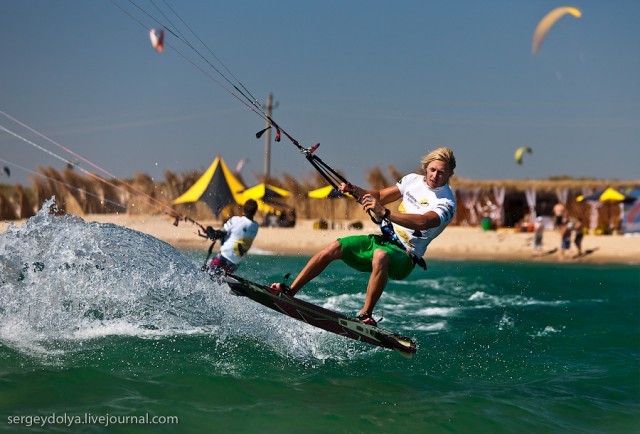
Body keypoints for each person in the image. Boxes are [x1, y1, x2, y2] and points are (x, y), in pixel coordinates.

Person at [270, 147, 457, 326]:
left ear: (449, 174)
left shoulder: (447, 202)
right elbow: (381, 195)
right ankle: (290, 291)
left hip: (405, 256)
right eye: (432, 170)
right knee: (335, 247)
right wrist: (355, 190)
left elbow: (424, 221)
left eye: (441, 172)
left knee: (380, 255)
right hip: (382, 240)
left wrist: (385, 214)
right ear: (426, 167)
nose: (435, 176)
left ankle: (365, 315)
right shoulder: (412, 180)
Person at [204, 199, 259, 276]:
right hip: (235, 264)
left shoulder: (236, 220)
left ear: (243, 209)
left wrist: (208, 229)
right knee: (220, 279)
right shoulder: (255, 226)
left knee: (205, 273)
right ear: (255, 211)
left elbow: (215, 236)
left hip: (223, 258)